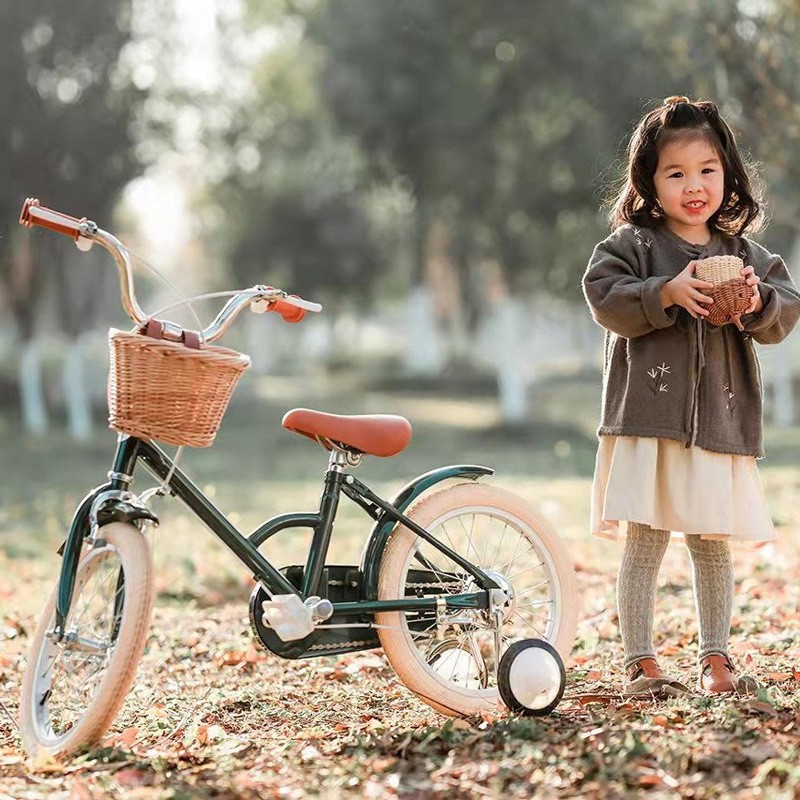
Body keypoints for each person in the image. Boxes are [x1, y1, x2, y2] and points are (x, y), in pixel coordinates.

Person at [582, 96, 800, 697]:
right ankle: (640, 661)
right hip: (648, 419)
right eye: (675, 173)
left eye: (706, 170)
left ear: (727, 174)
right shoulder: (634, 245)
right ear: (650, 182)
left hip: (718, 420)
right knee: (645, 537)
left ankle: (717, 658)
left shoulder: (743, 255)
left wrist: (757, 304)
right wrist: (666, 294)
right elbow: (604, 295)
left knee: (711, 541)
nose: (693, 185)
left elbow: (786, 305)